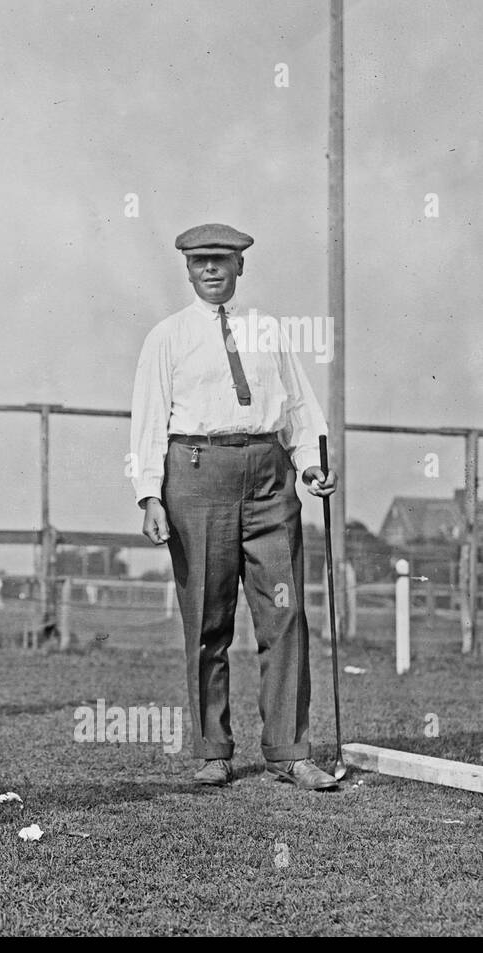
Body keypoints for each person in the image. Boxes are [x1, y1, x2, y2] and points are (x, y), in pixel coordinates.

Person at [129, 223, 340, 791]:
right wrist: (150, 494)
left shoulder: (269, 330)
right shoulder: (167, 337)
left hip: (270, 481)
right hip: (198, 478)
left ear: (240, 267)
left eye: (222, 260)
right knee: (207, 619)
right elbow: (149, 421)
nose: (213, 270)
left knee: (285, 611)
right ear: (188, 270)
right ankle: (213, 751)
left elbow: (296, 406)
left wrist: (310, 463)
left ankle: (290, 752)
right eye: (201, 263)